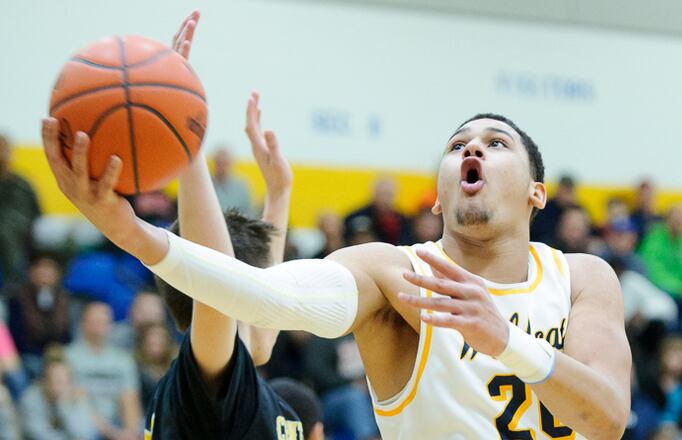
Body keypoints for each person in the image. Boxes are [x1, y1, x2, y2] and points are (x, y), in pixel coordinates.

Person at [43, 20, 631, 436]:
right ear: (438, 197)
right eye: (457, 146)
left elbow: (606, 420)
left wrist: (503, 339)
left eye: (495, 143)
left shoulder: (583, 277)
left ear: (537, 193)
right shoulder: (394, 272)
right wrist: (133, 233)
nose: (472, 148)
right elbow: (268, 301)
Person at [143, 13, 302, 439]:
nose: (273, 288)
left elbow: (258, 316)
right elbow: (215, 274)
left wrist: (279, 193)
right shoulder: (208, 371)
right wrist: (186, 140)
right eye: (260, 283)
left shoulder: (244, 378)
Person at [65, 302, 141, 440]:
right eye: (95, 321)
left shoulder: (123, 360)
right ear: (83, 323)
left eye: (105, 321)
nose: (100, 326)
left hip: (117, 423)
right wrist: (113, 433)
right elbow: (79, 402)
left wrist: (131, 432)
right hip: (85, 425)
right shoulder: (68, 357)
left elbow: (129, 399)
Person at [8, 254, 71, 377]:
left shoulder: (65, 300)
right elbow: (16, 335)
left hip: (58, 354)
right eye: (41, 269)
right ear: (32, 272)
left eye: (49, 270)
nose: (45, 274)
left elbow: (68, 334)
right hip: (28, 355)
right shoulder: (17, 299)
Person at [19, 347, 100, 440]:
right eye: (52, 380)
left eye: (61, 381)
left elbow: (84, 435)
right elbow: (38, 435)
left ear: (70, 381)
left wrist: (64, 405)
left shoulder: (77, 396)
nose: (56, 386)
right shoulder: (30, 398)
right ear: (43, 380)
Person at [0, 133, 41, 294]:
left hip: (18, 235)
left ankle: (15, 284)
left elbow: (36, 213)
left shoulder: (21, 184)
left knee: (6, 230)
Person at [344, 177, 411, 245]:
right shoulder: (356, 217)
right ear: (374, 194)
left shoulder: (403, 220)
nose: (385, 199)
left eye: (389, 195)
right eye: (382, 194)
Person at [134, 322, 176, 409]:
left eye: (160, 338)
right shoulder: (135, 368)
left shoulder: (176, 367)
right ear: (143, 342)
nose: (156, 341)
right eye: (152, 339)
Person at [531, 174, 581, 244]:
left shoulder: (577, 209)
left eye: (568, 191)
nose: (566, 195)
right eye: (564, 190)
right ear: (558, 190)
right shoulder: (544, 207)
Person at [211, 147, 253, 216]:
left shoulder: (241, 189)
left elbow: (247, 213)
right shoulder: (206, 187)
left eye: (225, 164)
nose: (222, 167)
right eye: (219, 163)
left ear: (230, 164)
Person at [630, 179, 662, 244]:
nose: (646, 198)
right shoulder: (632, 218)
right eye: (642, 194)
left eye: (648, 194)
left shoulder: (661, 220)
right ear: (637, 197)